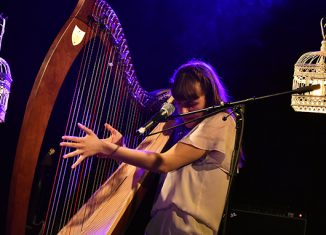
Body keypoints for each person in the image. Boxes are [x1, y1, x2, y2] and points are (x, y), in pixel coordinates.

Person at [60, 59, 237, 235]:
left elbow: (164, 163)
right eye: (180, 104)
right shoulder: (185, 131)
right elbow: (147, 166)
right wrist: (121, 148)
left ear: (210, 97)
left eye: (191, 104)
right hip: (163, 223)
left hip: (188, 228)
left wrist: (107, 149)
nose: (183, 112)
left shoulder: (221, 120)